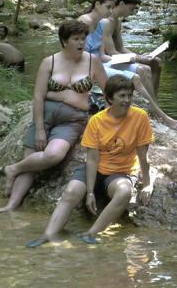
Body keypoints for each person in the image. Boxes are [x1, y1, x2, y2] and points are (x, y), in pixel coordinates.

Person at [0, 20, 108, 214]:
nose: (81, 43)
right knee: (31, 159)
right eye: (76, 39)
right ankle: (12, 205)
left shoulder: (92, 61)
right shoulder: (50, 62)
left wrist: (109, 119)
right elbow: (38, 96)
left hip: (73, 119)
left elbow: (108, 92)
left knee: (53, 155)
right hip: (45, 115)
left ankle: (12, 169)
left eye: (83, 38)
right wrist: (39, 129)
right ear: (64, 41)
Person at [31, 74, 154, 245]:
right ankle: (48, 234)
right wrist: (89, 192)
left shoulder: (140, 117)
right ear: (110, 98)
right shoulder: (96, 121)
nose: (127, 100)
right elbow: (92, 159)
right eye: (122, 96)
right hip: (95, 169)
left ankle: (92, 232)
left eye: (129, 95)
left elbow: (142, 154)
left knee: (124, 192)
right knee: (71, 191)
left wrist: (147, 183)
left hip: (120, 172)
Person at [83, 0, 177, 130]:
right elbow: (104, 52)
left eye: (111, 8)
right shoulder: (93, 22)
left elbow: (106, 54)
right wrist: (134, 59)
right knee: (140, 72)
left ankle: (155, 108)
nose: (110, 11)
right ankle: (160, 114)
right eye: (108, 7)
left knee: (150, 65)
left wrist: (137, 58)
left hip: (102, 61)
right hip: (94, 65)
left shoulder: (105, 23)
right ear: (97, 4)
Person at [102, 0, 162, 92]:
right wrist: (138, 58)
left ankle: (154, 100)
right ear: (121, 3)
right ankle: (151, 105)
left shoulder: (117, 21)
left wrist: (141, 57)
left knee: (156, 62)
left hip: (116, 59)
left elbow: (120, 48)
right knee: (144, 68)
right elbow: (111, 52)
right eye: (131, 8)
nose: (132, 12)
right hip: (106, 61)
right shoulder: (107, 21)